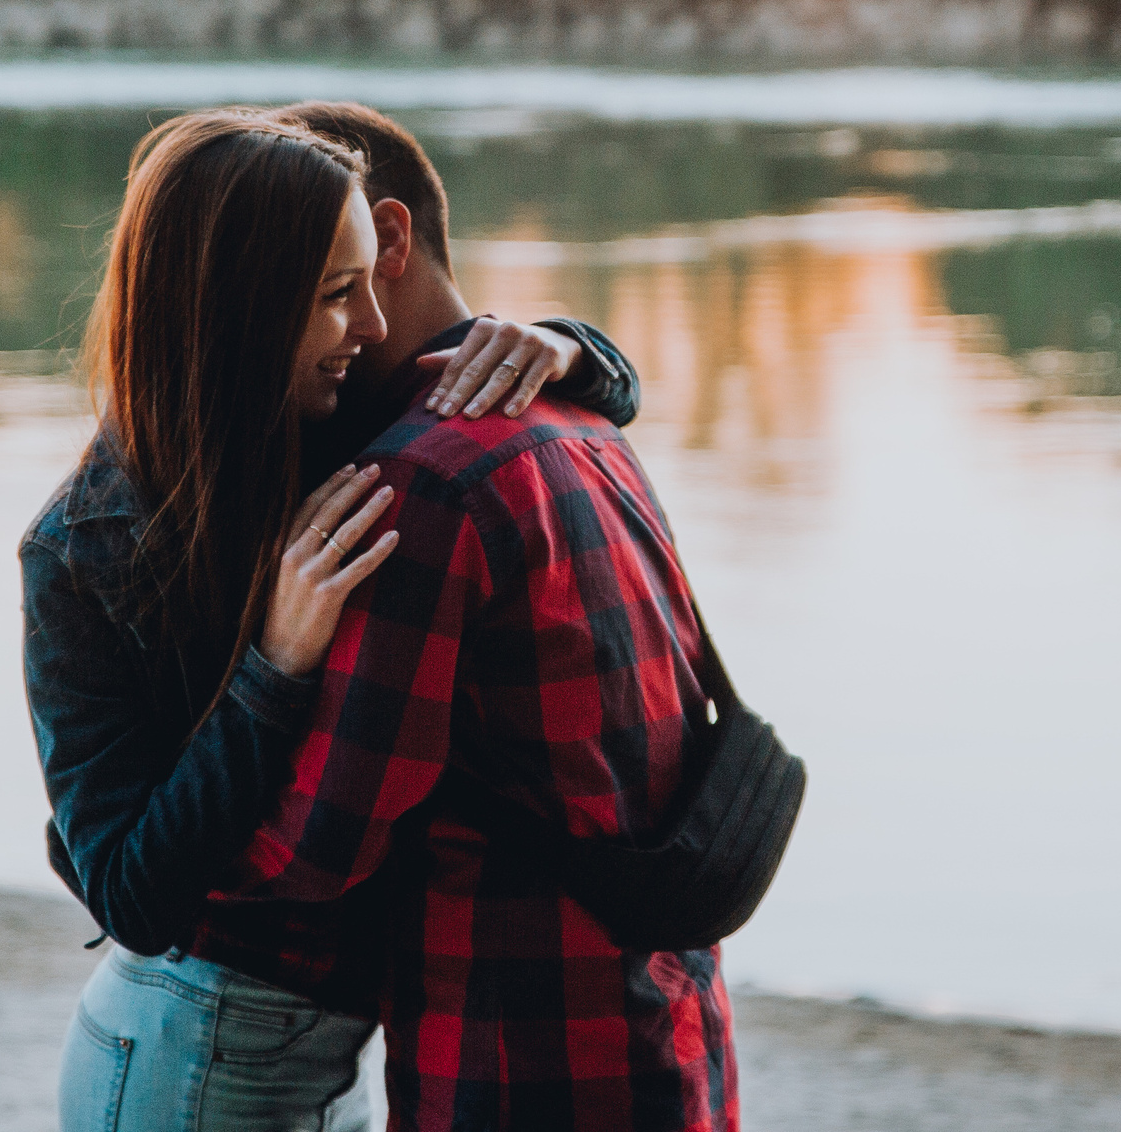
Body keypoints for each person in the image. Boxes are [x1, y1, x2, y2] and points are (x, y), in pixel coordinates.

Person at [19, 106, 644, 1132]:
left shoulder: (322, 419)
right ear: (242, 310)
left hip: (326, 1053)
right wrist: (276, 662)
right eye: (336, 295)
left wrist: (571, 352)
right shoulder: (83, 551)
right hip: (188, 1054)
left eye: (366, 282)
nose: (376, 326)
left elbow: (592, 407)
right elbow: (131, 893)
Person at [210, 102, 737, 1132]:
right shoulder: (579, 420)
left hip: (523, 1062)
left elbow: (317, 849)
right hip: (671, 1034)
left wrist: (139, 857)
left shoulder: (426, 483)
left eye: (297, 275)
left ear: (389, 240)